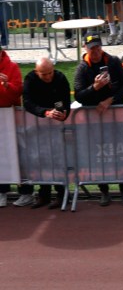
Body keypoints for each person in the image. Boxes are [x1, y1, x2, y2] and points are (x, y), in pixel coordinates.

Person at [73, 34, 123, 206]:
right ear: (85, 48)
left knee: (120, 154)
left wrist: (110, 100)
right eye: (92, 48)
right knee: (99, 155)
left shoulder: (113, 61)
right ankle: (104, 192)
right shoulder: (82, 68)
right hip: (94, 119)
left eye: (98, 47)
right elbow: (79, 95)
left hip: (116, 116)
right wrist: (95, 88)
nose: (96, 51)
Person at [20, 57, 71, 210]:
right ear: (36, 72)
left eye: (50, 73)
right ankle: (43, 193)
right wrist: (45, 112)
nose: (48, 77)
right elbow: (28, 103)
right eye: (44, 74)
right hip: (37, 123)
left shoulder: (60, 78)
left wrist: (62, 112)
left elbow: (64, 100)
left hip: (56, 125)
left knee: (57, 159)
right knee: (40, 159)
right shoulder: (30, 79)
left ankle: (62, 194)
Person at [0, 46, 25, 206]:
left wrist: (8, 85)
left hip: (11, 115)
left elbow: (18, 92)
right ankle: (2, 192)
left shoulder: (12, 66)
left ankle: (25, 192)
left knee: (19, 153)